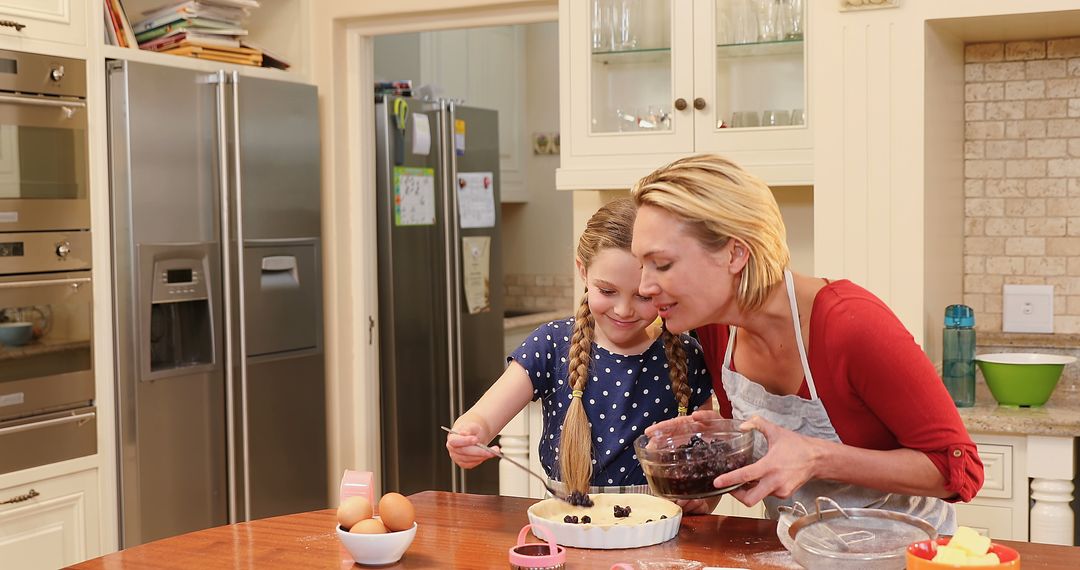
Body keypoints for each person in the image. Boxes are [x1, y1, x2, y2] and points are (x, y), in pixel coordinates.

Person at [630, 154, 983, 532]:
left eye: (662, 265)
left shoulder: (852, 325)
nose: (644, 287)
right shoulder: (716, 328)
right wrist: (720, 446)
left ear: (735, 253)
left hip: (903, 550)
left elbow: (958, 470)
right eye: (641, 265)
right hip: (800, 548)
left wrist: (817, 458)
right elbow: (777, 450)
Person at [446, 198, 713, 494]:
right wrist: (468, 435)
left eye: (643, 296)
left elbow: (704, 469)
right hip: (565, 526)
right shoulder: (551, 344)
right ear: (583, 271)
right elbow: (482, 417)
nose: (623, 310)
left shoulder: (687, 356)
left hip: (660, 527)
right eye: (607, 291)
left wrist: (700, 501)